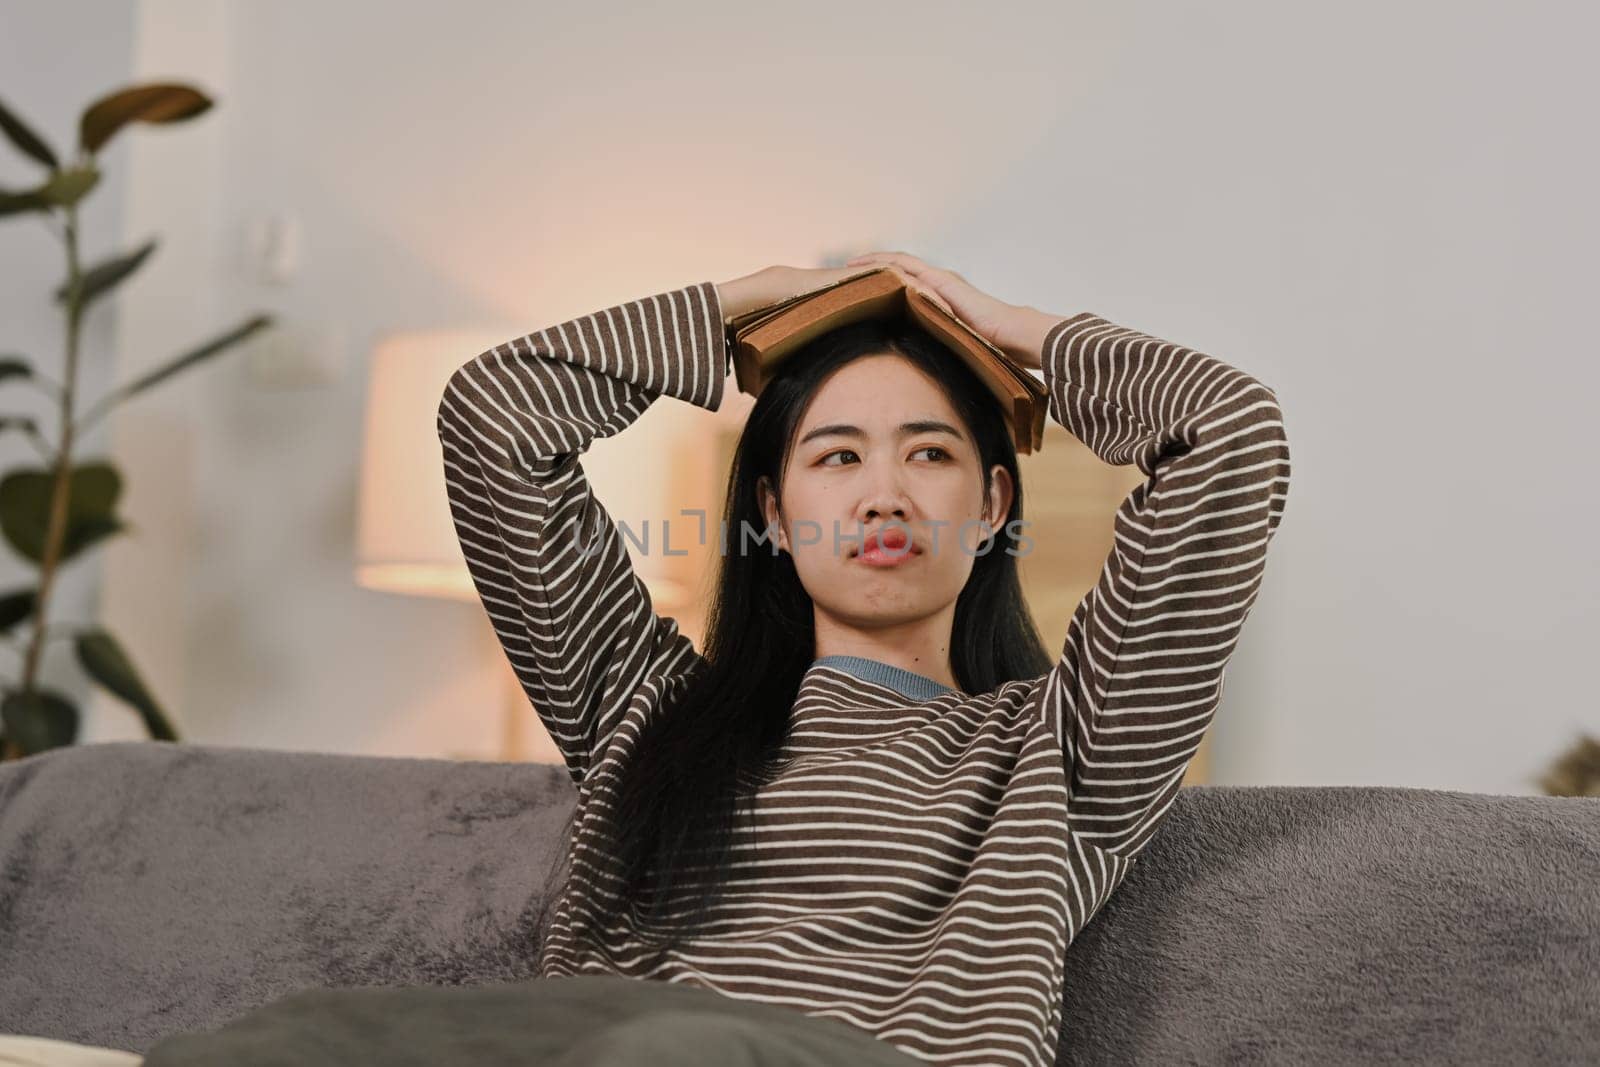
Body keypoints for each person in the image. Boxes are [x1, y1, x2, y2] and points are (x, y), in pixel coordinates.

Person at [9, 251, 1289, 1066]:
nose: (885, 489)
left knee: (671, 1047)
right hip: (593, 1045)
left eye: (932, 450)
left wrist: (1007, 328)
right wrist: (749, 305)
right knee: (290, 1041)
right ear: (776, 514)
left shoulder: (1066, 747)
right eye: (836, 455)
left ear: (997, 500)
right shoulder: (651, 706)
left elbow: (1227, 434)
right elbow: (496, 419)